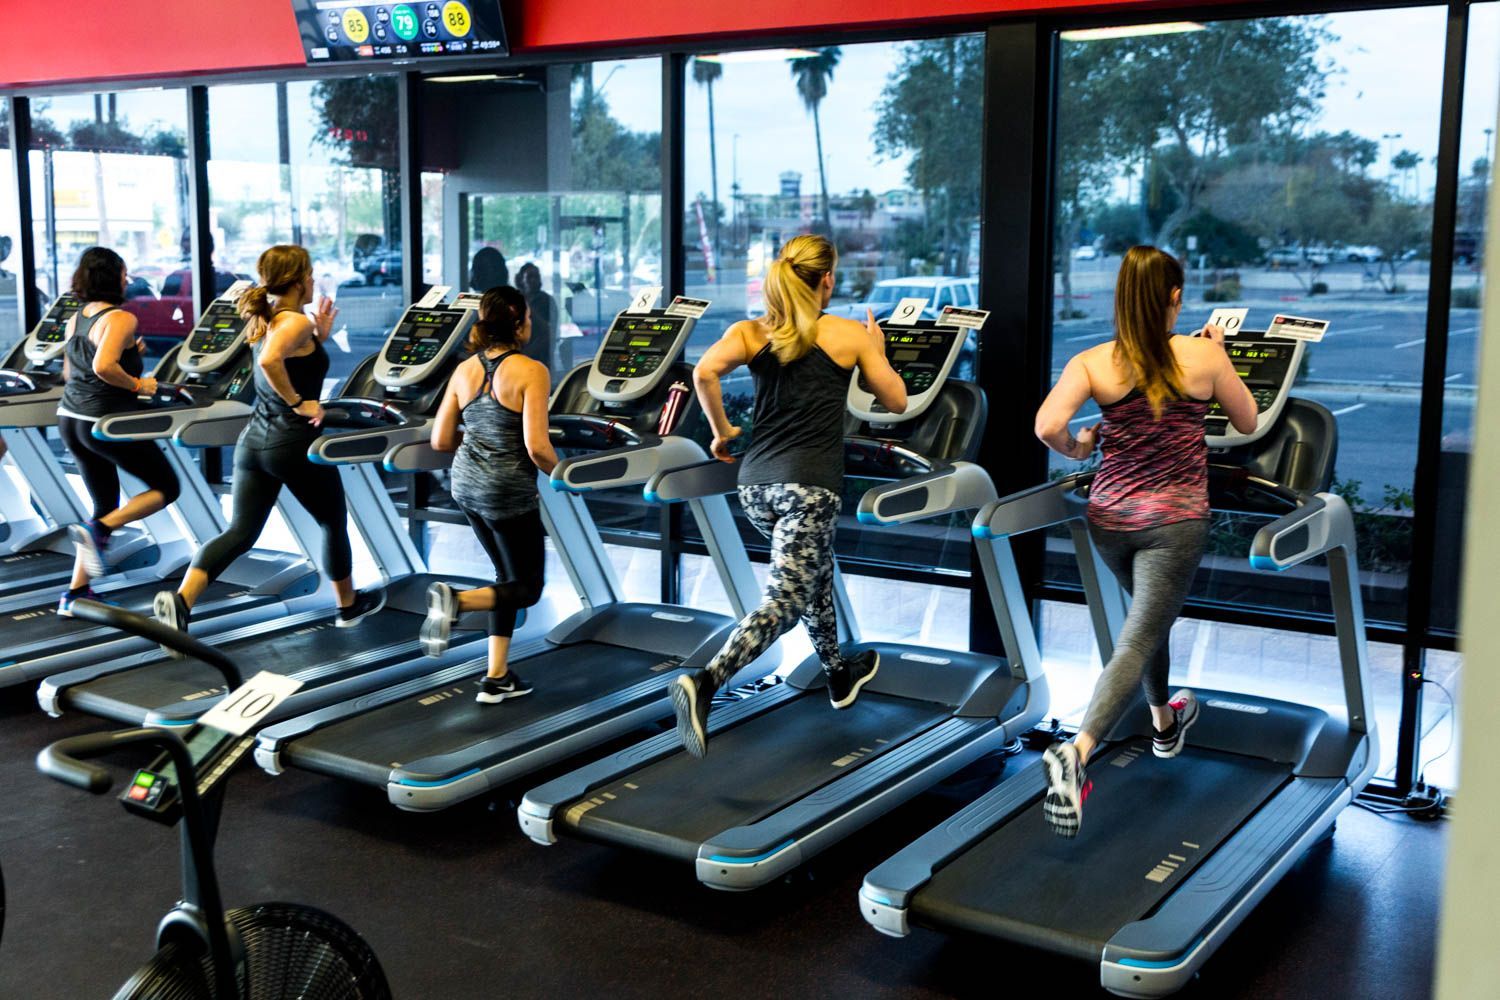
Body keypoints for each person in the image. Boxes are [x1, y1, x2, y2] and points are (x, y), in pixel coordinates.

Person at [1032, 245, 1258, 838]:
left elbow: (1047, 427)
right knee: (1137, 637)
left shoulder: (1092, 362)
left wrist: (1081, 448)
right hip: (1174, 523)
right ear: (1175, 298)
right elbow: (1248, 420)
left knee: (1145, 622)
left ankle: (1164, 725)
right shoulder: (1202, 355)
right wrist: (1216, 356)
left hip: (1109, 519)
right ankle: (1077, 752)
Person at [668, 233, 907, 758]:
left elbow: (704, 371)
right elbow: (896, 400)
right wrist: (879, 350)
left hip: (755, 486)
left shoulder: (752, 332)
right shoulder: (848, 335)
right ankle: (705, 683)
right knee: (786, 598)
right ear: (827, 279)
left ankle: (838, 674)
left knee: (812, 572)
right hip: (810, 487)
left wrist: (721, 431)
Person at [153, 245, 384, 651]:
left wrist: (319, 338)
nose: (315, 281)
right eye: (311, 275)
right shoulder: (292, 321)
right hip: (292, 441)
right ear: (297, 281)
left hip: (254, 442)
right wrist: (300, 403)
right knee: (332, 521)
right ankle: (348, 606)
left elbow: (285, 357)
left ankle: (181, 601)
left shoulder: (270, 319)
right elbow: (270, 363)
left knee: (241, 532)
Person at [421, 286, 556, 703]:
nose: (531, 323)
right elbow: (536, 447)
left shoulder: (465, 370)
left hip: (466, 486)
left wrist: (481, 434)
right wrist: (567, 476)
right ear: (517, 321)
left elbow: (442, 439)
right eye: (529, 316)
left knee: (505, 580)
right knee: (529, 588)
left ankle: (496, 677)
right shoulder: (530, 371)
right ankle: (456, 601)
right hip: (507, 491)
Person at [55, 247, 182, 614]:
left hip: (71, 419)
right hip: (104, 423)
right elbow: (103, 366)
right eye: (124, 272)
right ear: (114, 276)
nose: (128, 278)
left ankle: (76, 592)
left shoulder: (76, 317)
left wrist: (129, 351)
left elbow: (70, 373)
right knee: (167, 487)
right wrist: (138, 384)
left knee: (104, 502)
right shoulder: (121, 318)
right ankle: (99, 530)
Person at [515, 262, 556, 371]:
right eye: (529, 277)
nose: (533, 280)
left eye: (536, 276)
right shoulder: (516, 299)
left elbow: (549, 332)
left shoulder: (546, 300)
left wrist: (527, 353)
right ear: (521, 279)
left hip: (540, 356)